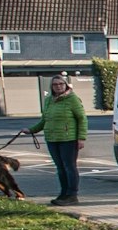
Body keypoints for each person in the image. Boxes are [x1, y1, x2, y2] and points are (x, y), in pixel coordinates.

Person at [25, 77, 88, 206]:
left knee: (69, 167)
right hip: (52, 139)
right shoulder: (49, 100)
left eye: (61, 84)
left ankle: (72, 194)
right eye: (55, 84)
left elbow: (82, 119)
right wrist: (31, 130)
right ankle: (63, 193)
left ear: (65, 85)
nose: (58, 86)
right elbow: (44, 120)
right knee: (60, 168)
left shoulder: (73, 99)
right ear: (51, 87)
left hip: (68, 139)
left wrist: (81, 138)